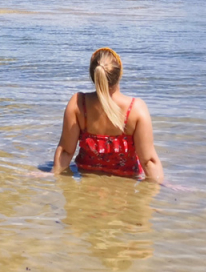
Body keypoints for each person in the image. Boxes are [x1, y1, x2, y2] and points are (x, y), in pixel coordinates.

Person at [52, 47, 163, 182]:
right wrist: (162, 186)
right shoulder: (136, 109)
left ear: (93, 75)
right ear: (119, 73)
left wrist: (53, 174)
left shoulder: (78, 104)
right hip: (124, 186)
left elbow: (66, 152)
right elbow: (148, 161)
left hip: (87, 181)